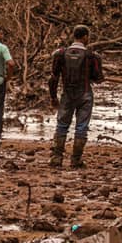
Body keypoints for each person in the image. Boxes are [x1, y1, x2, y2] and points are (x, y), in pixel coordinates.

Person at [48, 25, 103, 169]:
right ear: (85, 37)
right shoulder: (92, 56)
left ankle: (56, 158)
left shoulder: (60, 54)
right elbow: (98, 78)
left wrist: (53, 97)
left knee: (62, 125)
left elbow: (53, 78)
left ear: (74, 36)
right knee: (81, 127)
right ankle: (76, 159)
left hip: (67, 94)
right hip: (85, 94)